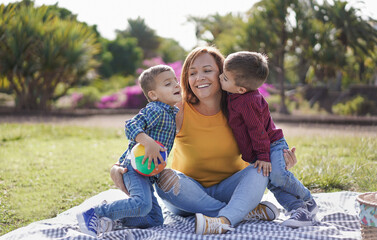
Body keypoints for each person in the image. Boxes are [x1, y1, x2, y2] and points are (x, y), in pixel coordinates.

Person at [111, 46, 298, 235]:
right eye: (192, 73)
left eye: (207, 71)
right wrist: (118, 165)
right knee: (165, 178)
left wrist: (281, 161)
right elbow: (143, 133)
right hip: (185, 194)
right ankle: (240, 212)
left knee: (260, 171)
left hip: (231, 188)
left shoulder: (243, 106)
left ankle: (224, 218)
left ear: (224, 74)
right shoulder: (177, 108)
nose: (199, 77)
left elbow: (267, 139)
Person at [76, 65, 182, 237]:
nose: (176, 85)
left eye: (176, 81)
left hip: (148, 173)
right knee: (142, 204)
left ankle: (114, 218)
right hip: (134, 168)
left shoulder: (170, 113)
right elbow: (130, 125)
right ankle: (96, 212)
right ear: (153, 95)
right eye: (168, 83)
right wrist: (148, 142)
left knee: (155, 219)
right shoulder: (156, 109)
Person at [219, 51, 318, 228]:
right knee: (274, 184)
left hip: (271, 145)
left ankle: (308, 199)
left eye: (225, 78)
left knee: (278, 176)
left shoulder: (248, 101)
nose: (220, 78)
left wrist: (263, 157)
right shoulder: (235, 94)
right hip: (260, 151)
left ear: (241, 89)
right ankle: (298, 210)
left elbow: (257, 131)